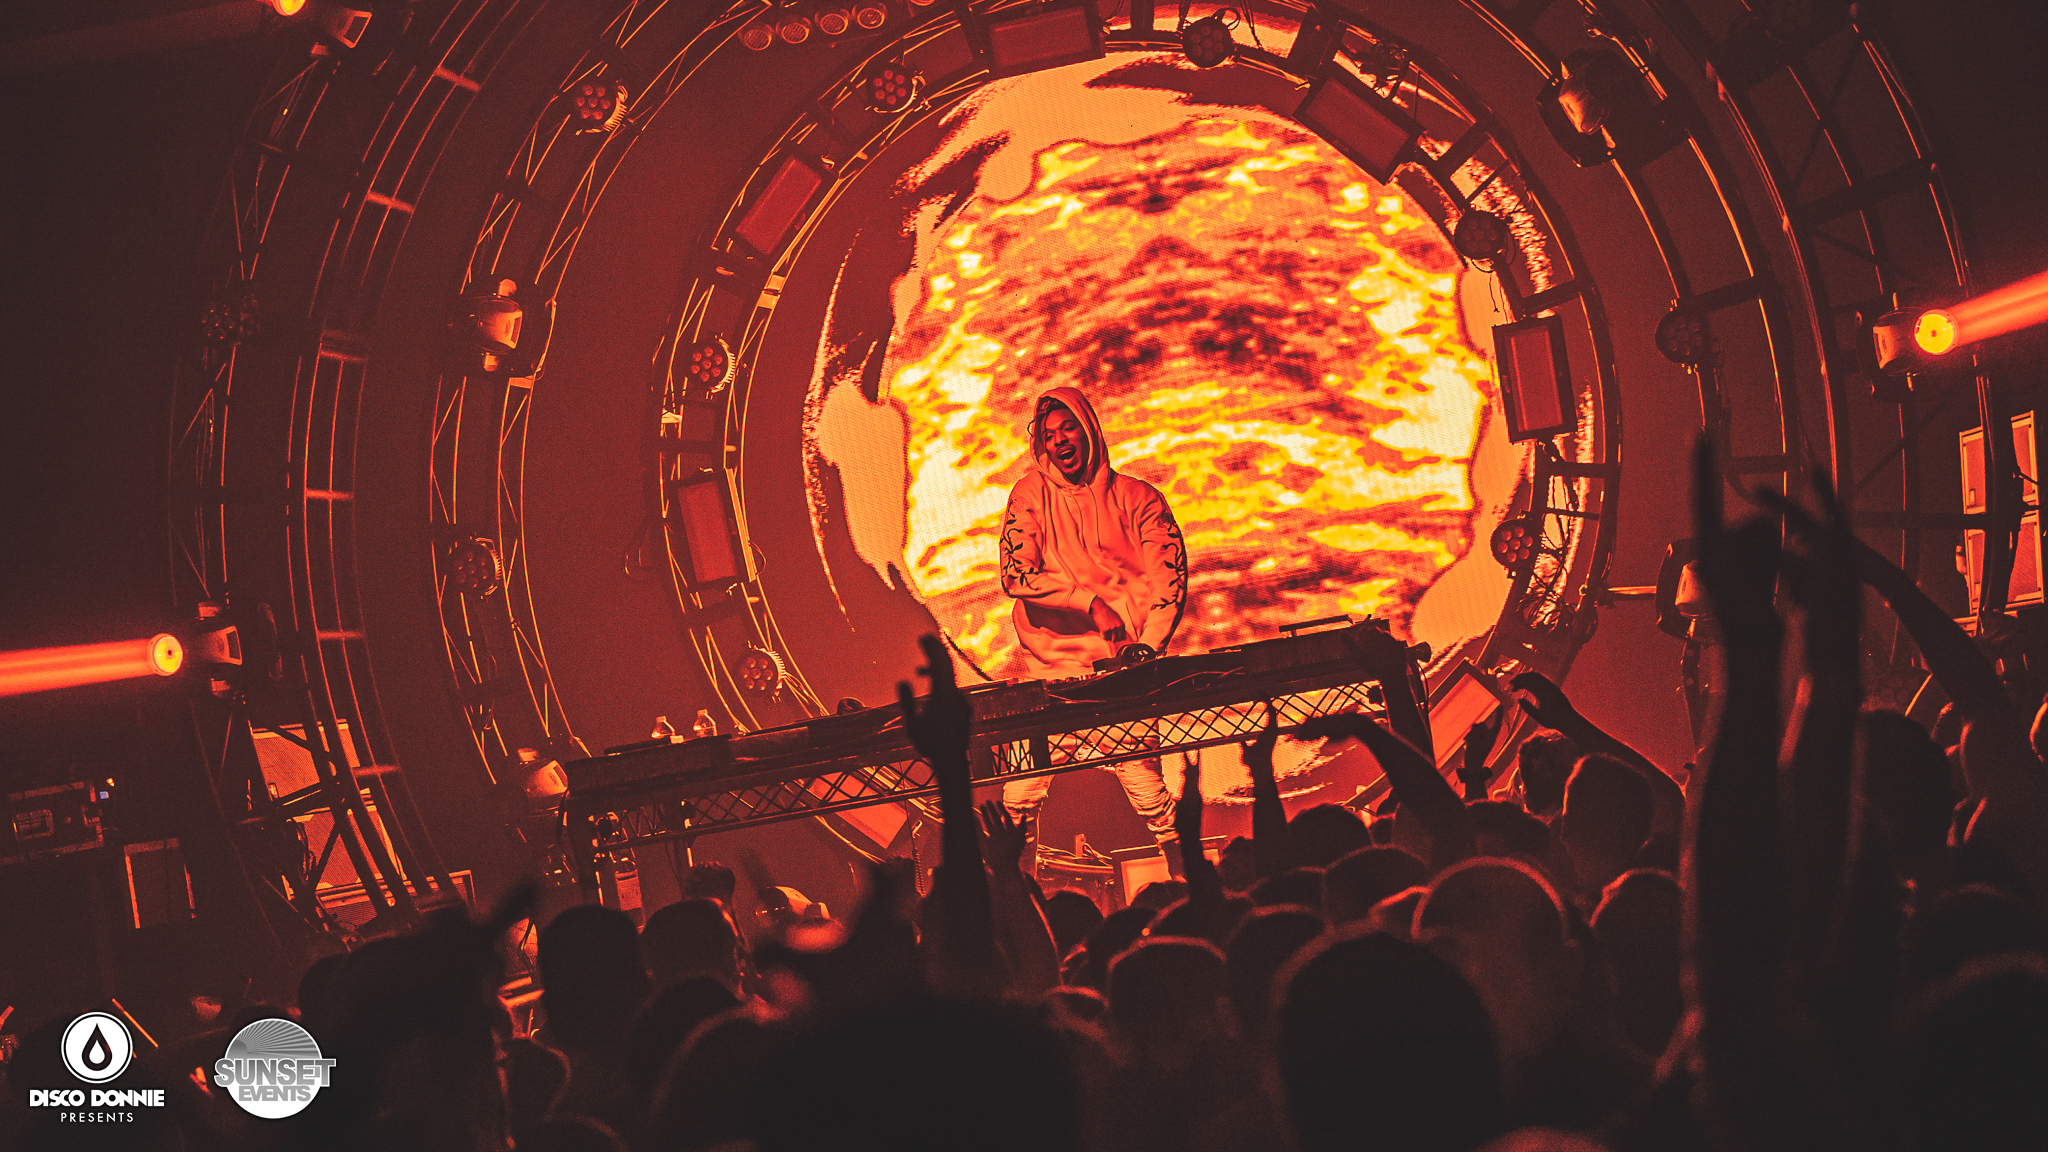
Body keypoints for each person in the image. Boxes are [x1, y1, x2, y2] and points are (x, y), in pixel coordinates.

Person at [998, 387, 1189, 865]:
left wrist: (1145, 650)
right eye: (1049, 434)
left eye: (1069, 429)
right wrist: (1092, 604)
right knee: (1017, 804)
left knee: (1152, 797)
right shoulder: (1029, 494)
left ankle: (1190, 883)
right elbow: (1016, 575)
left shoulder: (1139, 498)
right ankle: (1014, 894)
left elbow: (1169, 580)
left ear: (1089, 430)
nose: (1060, 441)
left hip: (1118, 680)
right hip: (1051, 682)